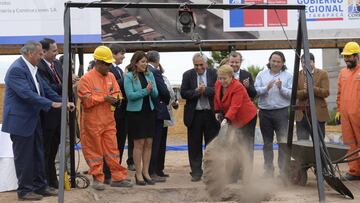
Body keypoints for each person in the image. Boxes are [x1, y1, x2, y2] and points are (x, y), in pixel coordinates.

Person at [2, 41, 74, 201]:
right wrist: (52, 104)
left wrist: (63, 101)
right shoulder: (16, 70)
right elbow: (27, 94)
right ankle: (25, 191)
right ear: (30, 54)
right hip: (20, 123)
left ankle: (40, 187)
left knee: (38, 154)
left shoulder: (33, 69)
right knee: (25, 158)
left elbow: (46, 90)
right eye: (40, 54)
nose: (42, 57)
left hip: (33, 120)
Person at [77, 46, 132, 190]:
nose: (109, 67)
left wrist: (116, 99)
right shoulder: (86, 79)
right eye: (107, 64)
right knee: (94, 151)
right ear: (98, 62)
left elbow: (117, 93)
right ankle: (97, 178)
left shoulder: (111, 77)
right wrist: (104, 98)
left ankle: (118, 178)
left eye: (109, 64)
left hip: (108, 121)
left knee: (113, 150)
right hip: (92, 122)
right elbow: (86, 101)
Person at [214, 65, 257, 182]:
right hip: (233, 118)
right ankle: (233, 175)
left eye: (225, 78)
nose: (222, 81)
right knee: (232, 145)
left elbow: (235, 106)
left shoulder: (237, 86)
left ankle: (246, 176)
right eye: (220, 78)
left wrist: (226, 119)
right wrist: (217, 111)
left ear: (231, 77)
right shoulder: (218, 84)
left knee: (245, 146)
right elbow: (217, 98)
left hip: (247, 118)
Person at [180, 53, 219, 182]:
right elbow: (183, 93)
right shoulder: (187, 75)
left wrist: (205, 90)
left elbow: (218, 90)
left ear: (206, 64)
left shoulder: (214, 73)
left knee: (212, 145)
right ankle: (196, 172)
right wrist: (197, 91)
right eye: (196, 65)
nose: (199, 67)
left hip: (211, 114)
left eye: (201, 65)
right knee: (194, 145)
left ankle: (211, 172)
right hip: (194, 115)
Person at [254, 51, 293, 178]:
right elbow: (255, 90)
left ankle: (283, 171)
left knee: (282, 142)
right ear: (269, 61)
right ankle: (268, 170)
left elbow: (292, 94)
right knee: (267, 143)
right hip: (265, 113)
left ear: (283, 63)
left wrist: (281, 88)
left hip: (281, 112)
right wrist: (266, 88)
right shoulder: (261, 74)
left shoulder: (288, 76)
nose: (275, 63)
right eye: (273, 61)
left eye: (278, 62)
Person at [124, 51, 158, 185]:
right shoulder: (129, 76)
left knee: (149, 143)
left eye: (146, 62)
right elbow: (130, 95)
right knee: (138, 144)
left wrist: (152, 88)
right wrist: (145, 91)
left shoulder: (150, 74)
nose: (145, 64)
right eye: (142, 62)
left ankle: (146, 172)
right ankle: (138, 175)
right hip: (135, 114)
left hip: (149, 112)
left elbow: (155, 94)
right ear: (136, 63)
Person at [103, 45, 134, 184]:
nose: (123, 57)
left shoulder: (119, 70)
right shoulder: (108, 69)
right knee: (112, 145)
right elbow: (111, 88)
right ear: (114, 54)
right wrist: (127, 78)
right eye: (122, 54)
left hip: (122, 113)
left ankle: (116, 172)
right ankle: (108, 173)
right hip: (113, 114)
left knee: (119, 144)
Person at [336, 41, 360, 181]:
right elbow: (339, 94)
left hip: (358, 115)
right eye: (345, 56)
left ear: (356, 56)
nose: (346, 59)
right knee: (350, 143)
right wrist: (339, 111)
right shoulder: (342, 72)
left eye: (349, 56)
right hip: (346, 116)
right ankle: (354, 171)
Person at [147, 51, 170, 182]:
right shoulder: (155, 72)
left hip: (150, 111)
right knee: (155, 143)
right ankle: (153, 171)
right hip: (157, 111)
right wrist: (166, 100)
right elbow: (164, 91)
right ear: (158, 60)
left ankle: (155, 170)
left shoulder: (147, 70)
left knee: (154, 143)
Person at [295, 53, 330, 140]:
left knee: (319, 143)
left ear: (313, 62)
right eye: (303, 62)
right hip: (301, 114)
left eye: (308, 62)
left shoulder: (323, 74)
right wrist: (305, 91)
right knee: (302, 143)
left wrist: (312, 88)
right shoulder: (297, 75)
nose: (305, 64)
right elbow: (294, 94)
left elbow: (326, 92)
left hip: (318, 114)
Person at [158, 64, 177, 178]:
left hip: (167, 114)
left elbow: (171, 95)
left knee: (162, 144)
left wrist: (175, 102)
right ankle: (155, 169)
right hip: (159, 114)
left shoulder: (165, 78)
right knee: (157, 143)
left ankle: (160, 169)